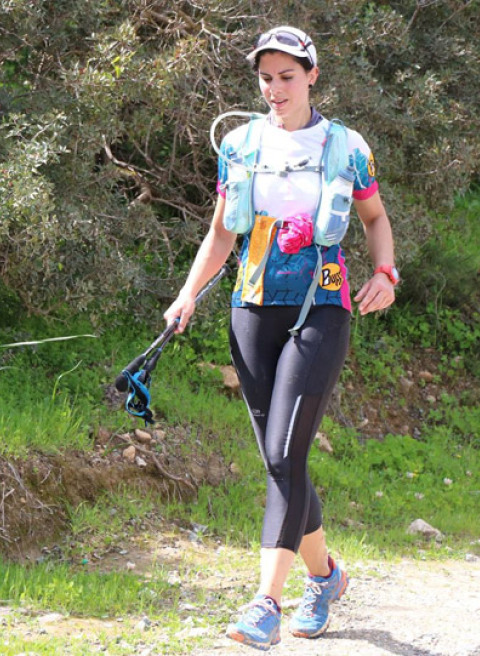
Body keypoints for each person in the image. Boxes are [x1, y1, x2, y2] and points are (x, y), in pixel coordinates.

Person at [163, 25, 398, 650]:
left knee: (286, 452)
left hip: (322, 306)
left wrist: (385, 272)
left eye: (287, 76)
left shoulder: (347, 146)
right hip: (251, 307)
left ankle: (265, 602)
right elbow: (222, 233)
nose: (275, 89)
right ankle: (325, 577)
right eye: (266, 78)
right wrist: (188, 293)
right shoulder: (239, 145)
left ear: (312, 75)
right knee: (278, 457)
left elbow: (375, 218)